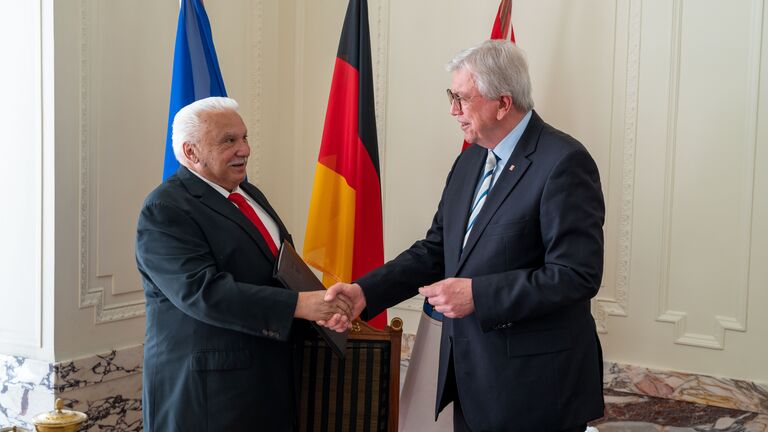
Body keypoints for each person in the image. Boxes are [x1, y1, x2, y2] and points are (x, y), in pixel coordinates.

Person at [322, 40, 605, 432]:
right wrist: (364, 293)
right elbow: (435, 251)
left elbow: (576, 275)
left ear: (503, 103)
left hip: (537, 389)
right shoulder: (471, 157)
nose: (453, 110)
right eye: (451, 96)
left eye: (462, 99)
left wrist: (478, 295)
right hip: (472, 381)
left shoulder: (563, 163)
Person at [136, 97, 351, 431]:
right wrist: (299, 305)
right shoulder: (166, 209)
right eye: (228, 140)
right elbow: (201, 293)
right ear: (191, 152)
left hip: (266, 384)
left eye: (244, 137)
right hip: (208, 397)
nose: (244, 149)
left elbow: (279, 268)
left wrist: (321, 308)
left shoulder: (247, 193)